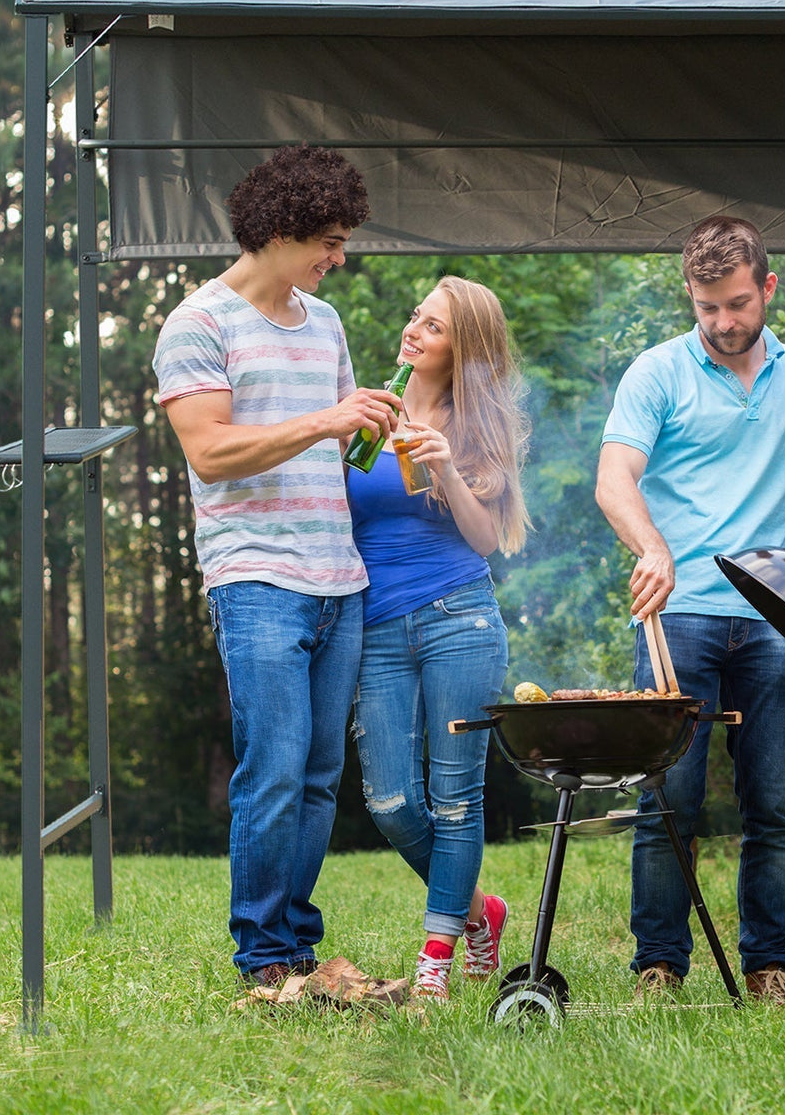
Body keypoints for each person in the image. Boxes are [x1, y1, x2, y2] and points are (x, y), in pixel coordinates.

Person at [153, 144, 403, 990]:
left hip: (340, 577)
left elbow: (343, 450)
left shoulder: (324, 323)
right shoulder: (199, 323)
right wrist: (327, 420)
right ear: (282, 230)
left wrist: (385, 434)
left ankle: (297, 947)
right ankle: (262, 958)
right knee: (275, 770)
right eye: (329, 242)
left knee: (321, 778)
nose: (339, 258)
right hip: (256, 576)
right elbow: (212, 452)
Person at [596, 215, 785, 1004]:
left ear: (767, 287)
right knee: (669, 801)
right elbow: (614, 478)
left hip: (773, 618)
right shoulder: (658, 372)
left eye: (737, 304)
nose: (724, 322)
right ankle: (659, 967)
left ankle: (770, 965)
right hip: (679, 618)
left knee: (771, 802)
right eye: (707, 307)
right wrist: (652, 548)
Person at [346, 276, 530, 1001]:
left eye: (434, 326)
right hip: (376, 626)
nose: (413, 331)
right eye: (415, 317)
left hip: (460, 619)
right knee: (391, 802)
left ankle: (435, 960)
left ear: (465, 348)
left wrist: (446, 467)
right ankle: (482, 912)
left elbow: (485, 539)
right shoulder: (370, 410)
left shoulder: (477, 429)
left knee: (455, 799)